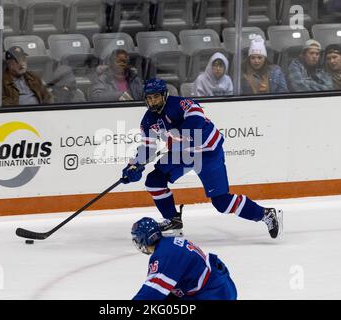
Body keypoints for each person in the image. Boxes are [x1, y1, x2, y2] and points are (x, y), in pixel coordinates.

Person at [121, 78, 283, 239]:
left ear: (164, 95)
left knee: (222, 203)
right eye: (149, 98)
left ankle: (265, 214)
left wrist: (177, 133)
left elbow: (197, 118)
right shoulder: (148, 120)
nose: (152, 101)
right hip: (183, 154)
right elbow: (147, 148)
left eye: (156, 97)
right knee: (154, 181)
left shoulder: (180, 104)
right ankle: (173, 220)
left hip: (207, 151)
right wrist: (134, 166)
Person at [131, 217, 237, 300]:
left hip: (214, 294)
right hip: (219, 287)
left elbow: (151, 293)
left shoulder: (164, 255)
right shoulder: (170, 242)